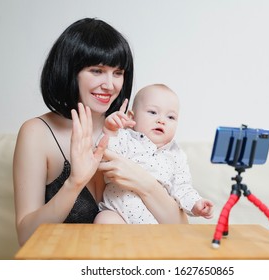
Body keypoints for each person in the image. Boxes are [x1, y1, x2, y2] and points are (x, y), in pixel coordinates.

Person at [13, 18, 187, 246]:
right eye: (97, 70)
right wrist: (74, 183)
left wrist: (145, 183)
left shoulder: (135, 131)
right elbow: (26, 238)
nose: (110, 84)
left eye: (118, 72)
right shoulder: (38, 133)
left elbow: (183, 233)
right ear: (69, 70)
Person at [94, 84, 214, 224]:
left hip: (155, 220)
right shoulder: (125, 139)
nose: (161, 120)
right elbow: (105, 156)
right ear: (132, 116)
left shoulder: (176, 155)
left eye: (170, 117)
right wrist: (110, 131)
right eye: (152, 112)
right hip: (118, 214)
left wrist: (196, 204)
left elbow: (182, 188)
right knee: (104, 219)